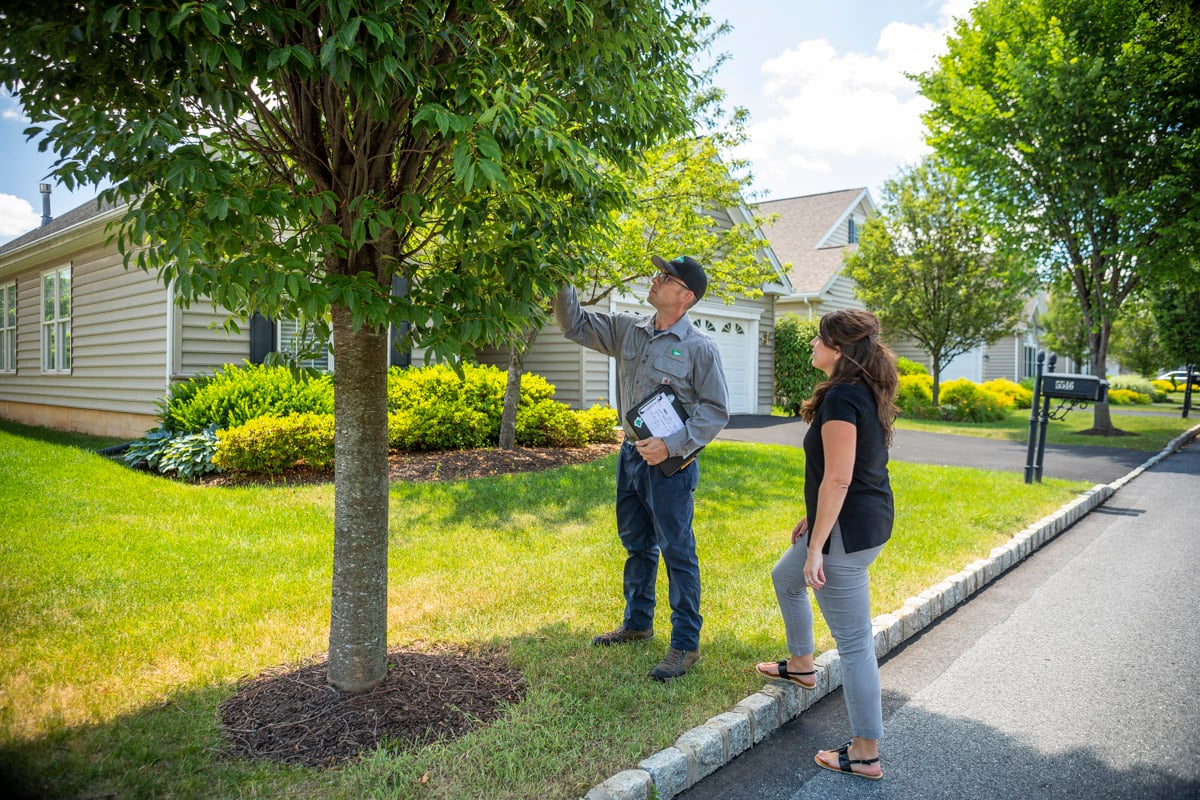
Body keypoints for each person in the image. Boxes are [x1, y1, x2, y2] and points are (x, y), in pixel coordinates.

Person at [553, 255, 730, 681]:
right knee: (636, 544)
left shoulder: (700, 348)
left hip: (671, 465)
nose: (654, 280)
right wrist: (560, 277)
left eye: (665, 278)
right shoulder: (626, 329)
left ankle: (685, 644)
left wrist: (671, 444)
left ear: (685, 297)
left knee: (677, 550)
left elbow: (716, 412)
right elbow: (573, 323)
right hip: (630, 456)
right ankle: (637, 623)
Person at [754, 308, 898, 780]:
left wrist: (818, 544)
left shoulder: (841, 400)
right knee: (784, 577)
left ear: (838, 349)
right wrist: (813, 517)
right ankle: (800, 664)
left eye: (819, 339)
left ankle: (865, 753)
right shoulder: (861, 392)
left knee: (855, 644)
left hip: (845, 535)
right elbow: (843, 473)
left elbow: (837, 478)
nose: (812, 345)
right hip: (860, 521)